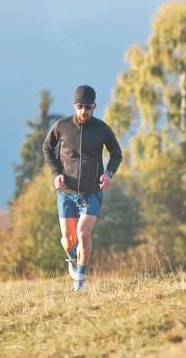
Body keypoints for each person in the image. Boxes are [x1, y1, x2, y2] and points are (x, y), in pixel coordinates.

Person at [42, 85, 122, 290]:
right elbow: (47, 148)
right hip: (66, 193)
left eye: (88, 107)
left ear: (94, 106)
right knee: (68, 241)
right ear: (74, 105)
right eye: (80, 106)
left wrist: (108, 174)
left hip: (92, 192)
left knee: (83, 234)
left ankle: (80, 278)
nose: (84, 111)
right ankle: (71, 258)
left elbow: (116, 154)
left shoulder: (102, 129)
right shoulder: (62, 126)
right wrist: (56, 174)